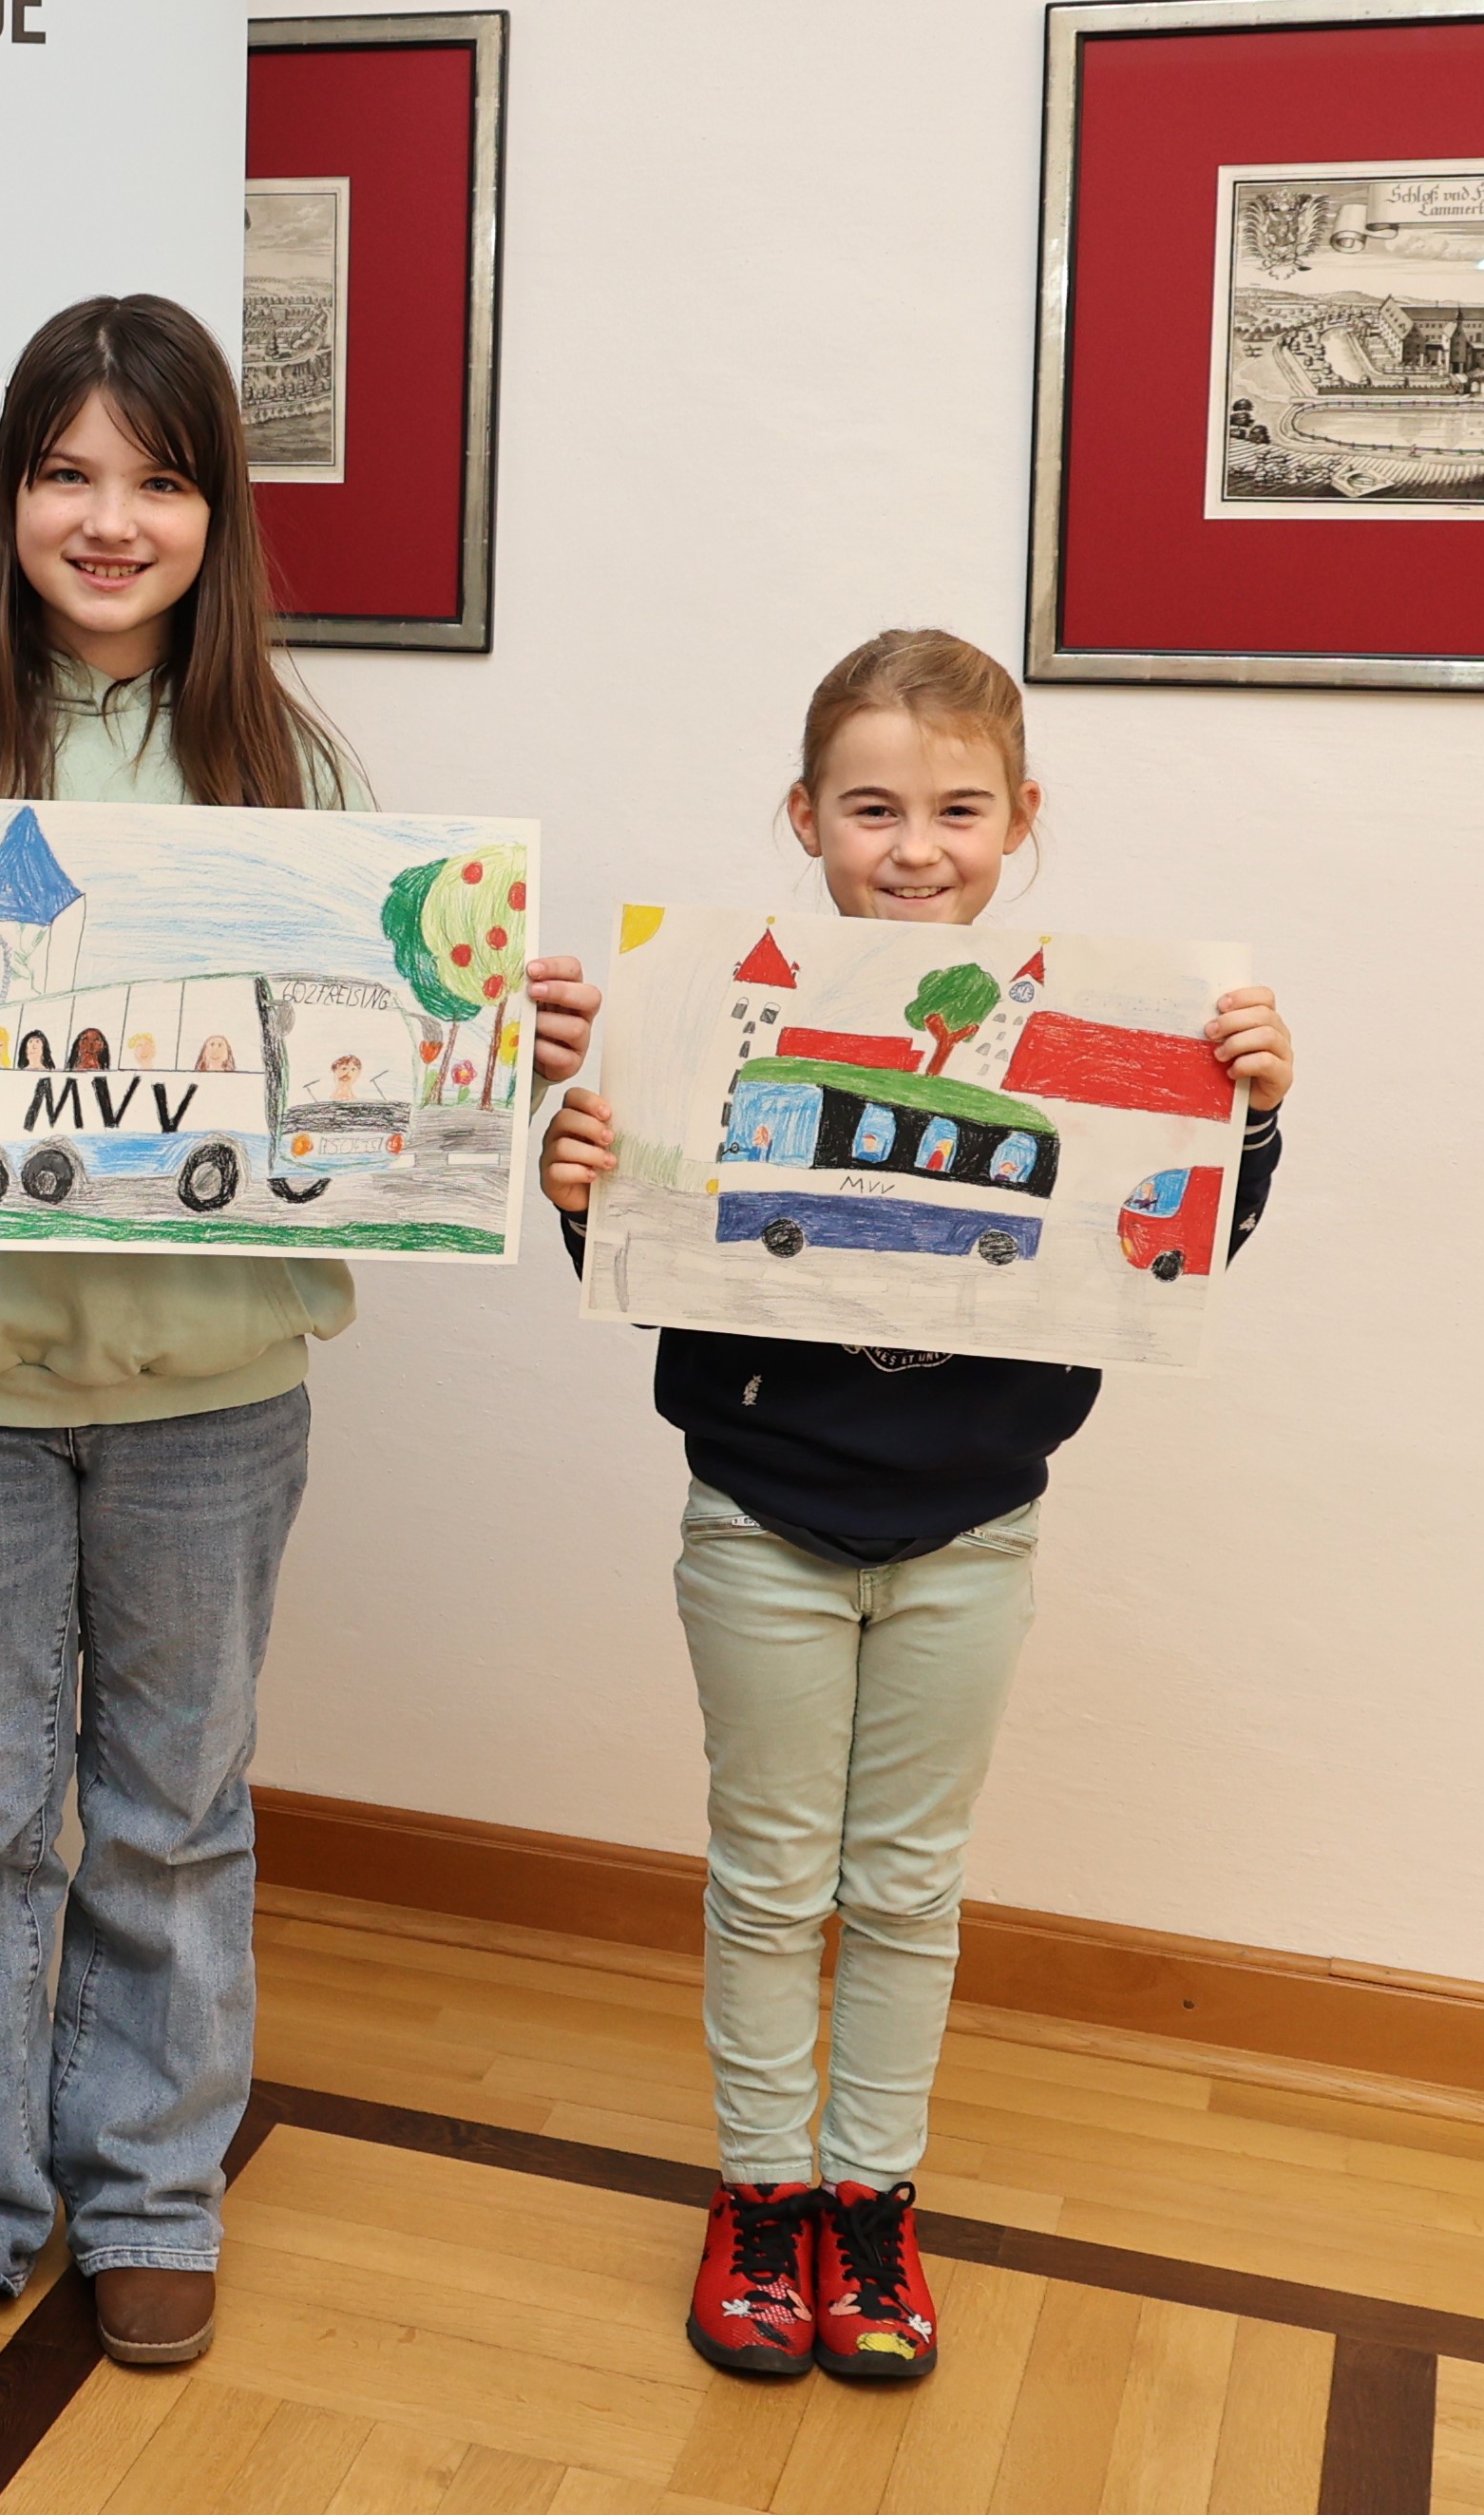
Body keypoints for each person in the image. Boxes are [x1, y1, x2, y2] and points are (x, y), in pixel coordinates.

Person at [0, 294, 596, 2378]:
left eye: (155, 476)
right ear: (6, 500)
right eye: (65, 472)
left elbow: (374, 1088)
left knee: (172, 1808)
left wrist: (490, 1046)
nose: (108, 517)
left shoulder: (295, 773)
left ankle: (146, 2187)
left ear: (218, 508)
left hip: (215, 1395)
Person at [540, 631, 1295, 2388]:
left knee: (903, 1883)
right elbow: (668, 1270)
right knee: (766, 1874)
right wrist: (586, 1194)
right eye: (871, 807)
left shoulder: (1094, 1034)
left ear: (1020, 820)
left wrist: (1246, 1120)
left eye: (957, 809)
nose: (913, 845)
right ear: (803, 817)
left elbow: (1163, 1252)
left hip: (974, 1534)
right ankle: (761, 2192)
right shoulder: (708, 1024)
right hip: (758, 1522)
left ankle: (869, 2199)